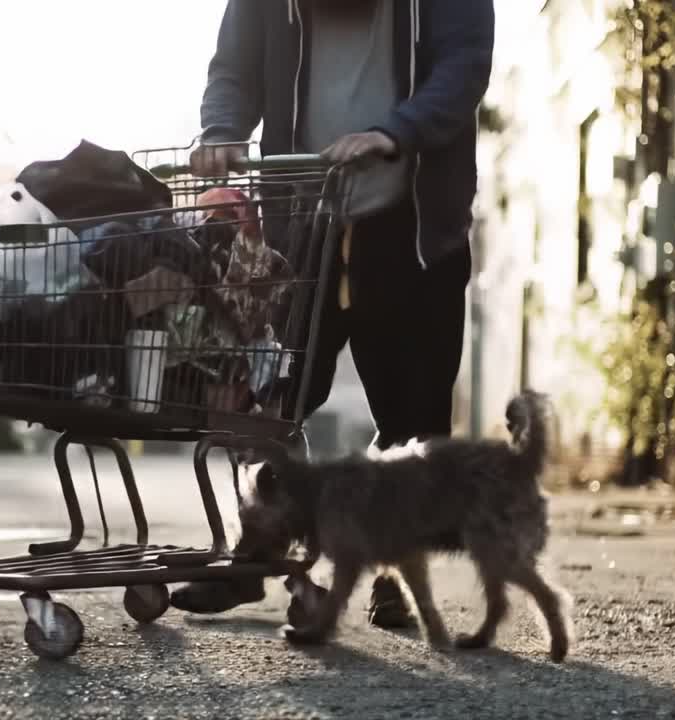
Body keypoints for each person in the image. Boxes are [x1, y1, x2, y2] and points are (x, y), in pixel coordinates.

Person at [170, 0, 496, 629]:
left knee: (414, 419)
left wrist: (394, 131)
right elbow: (233, 69)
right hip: (303, 224)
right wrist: (221, 133)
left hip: (412, 229)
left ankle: (396, 569)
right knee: (275, 400)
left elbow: (462, 69)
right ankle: (255, 557)